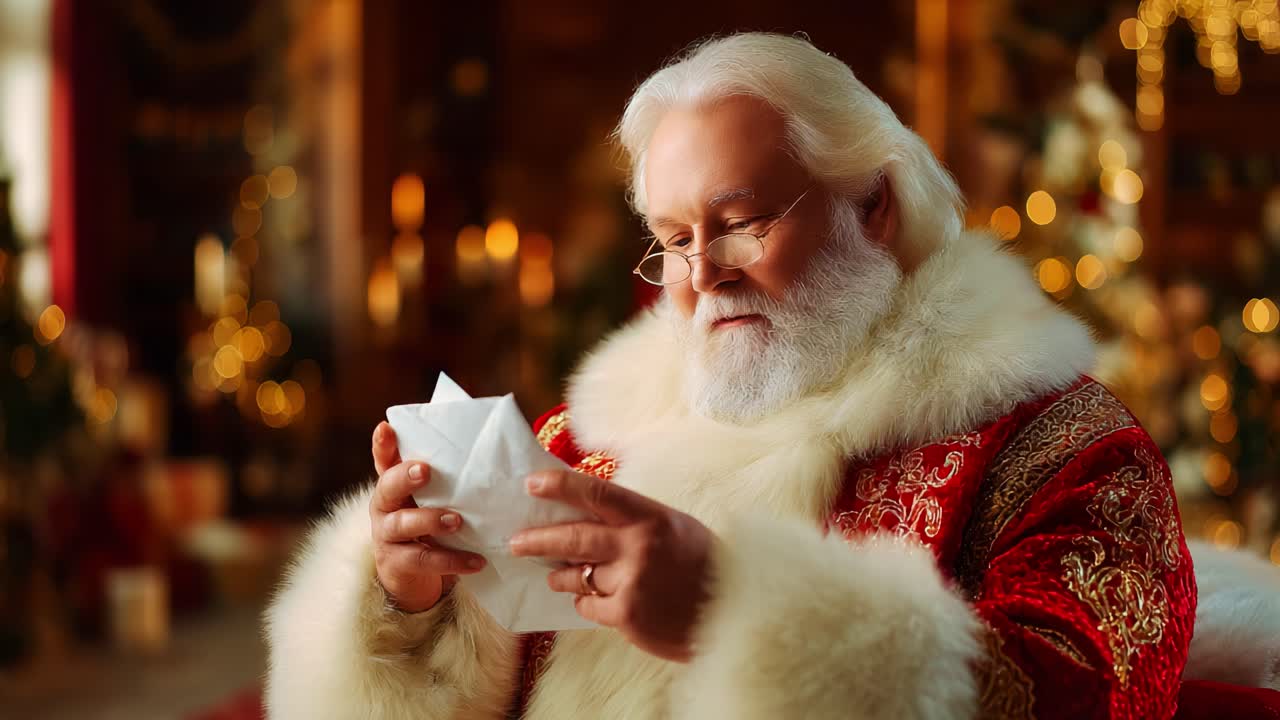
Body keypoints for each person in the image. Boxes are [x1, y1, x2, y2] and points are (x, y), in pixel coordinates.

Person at [265, 32, 1215, 719]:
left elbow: (1087, 693)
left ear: (874, 205)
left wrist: (734, 615)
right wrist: (409, 601)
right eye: (673, 240)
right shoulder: (585, 447)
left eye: (742, 221)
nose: (701, 274)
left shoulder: (1061, 449)